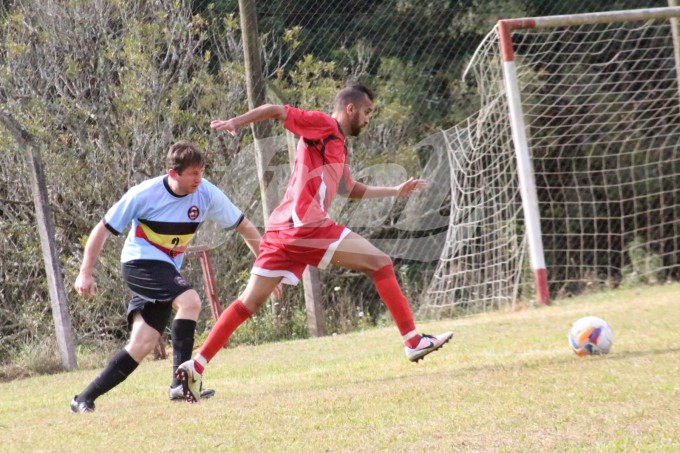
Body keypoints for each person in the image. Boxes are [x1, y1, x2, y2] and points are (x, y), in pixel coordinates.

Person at [176, 81, 453, 403]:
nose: (367, 119)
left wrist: (394, 190)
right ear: (350, 108)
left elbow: (349, 188)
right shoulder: (324, 125)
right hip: (306, 226)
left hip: (281, 231)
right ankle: (412, 340)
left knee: (247, 304)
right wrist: (236, 122)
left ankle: (195, 364)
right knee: (381, 264)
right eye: (366, 112)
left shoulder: (337, 143)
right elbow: (278, 111)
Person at [70, 140, 273, 413]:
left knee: (142, 344)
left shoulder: (206, 193)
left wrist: (267, 268)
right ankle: (180, 383)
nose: (198, 179)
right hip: (139, 262)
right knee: (190, 301)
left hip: (164, 268)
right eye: (192, 173)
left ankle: (83, 398)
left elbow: (244, 226)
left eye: (201, 172)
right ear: (173, 173)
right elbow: (103, 229)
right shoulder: (144, 193)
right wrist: (86, 272)